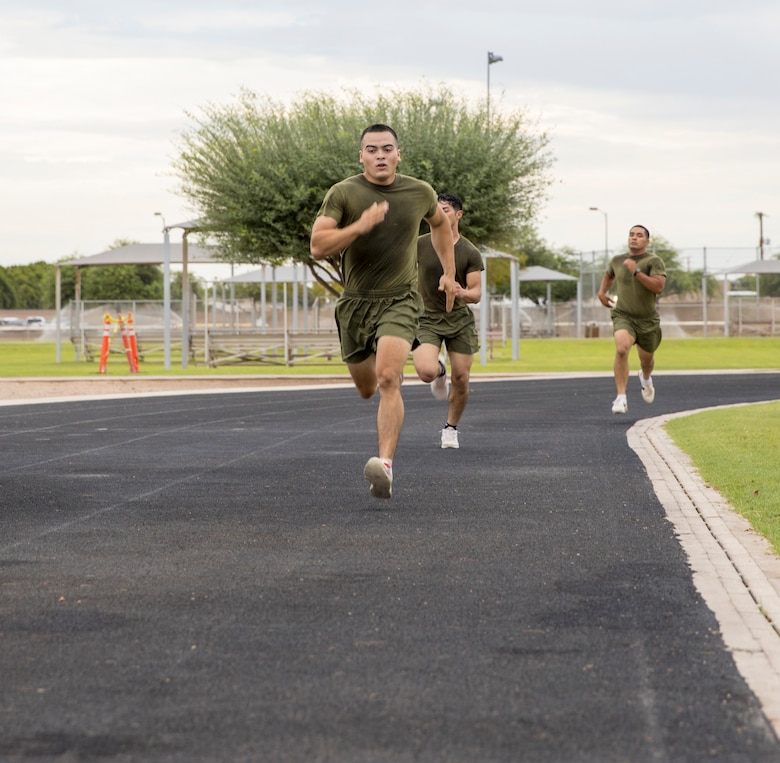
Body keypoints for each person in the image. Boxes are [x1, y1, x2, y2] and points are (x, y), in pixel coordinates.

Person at [310, 124, 456, 499]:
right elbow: (318, 245)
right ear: (361, 156)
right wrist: (359, 226)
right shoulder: (343, 192)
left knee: (389, 377)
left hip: (400, 298)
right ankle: (423, 373)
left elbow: (439, 225)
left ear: (398, 154)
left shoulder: (419, 191)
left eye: (387, 149)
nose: (380, 155)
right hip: (356, 302)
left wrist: (449, 273)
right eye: (371, 149)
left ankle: (385, 467)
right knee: (367, 387)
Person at [413, 193, 484, 449]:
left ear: (458, 214)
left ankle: (451, 428)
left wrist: (459, 291)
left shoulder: (469, 251)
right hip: (426, 319)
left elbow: (476, 293)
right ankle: (439, 372)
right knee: (425, 372)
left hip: (459, 321)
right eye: (436, 210)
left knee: (462, 378)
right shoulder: (419, 244)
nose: (440, 214)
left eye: (445, 210)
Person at [597, 224, 666, 414]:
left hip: (647, 320)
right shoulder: (618, 260)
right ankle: (620, 398)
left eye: (639, 235)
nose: (634, 238)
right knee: (621, 349)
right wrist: (602, 292)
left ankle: (645, 378)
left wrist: (637, 272)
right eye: (631, 235)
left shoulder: (654, 261)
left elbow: (658, 287)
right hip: (623, 315)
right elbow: (609, 274)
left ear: (647, 241)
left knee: (647, 362)